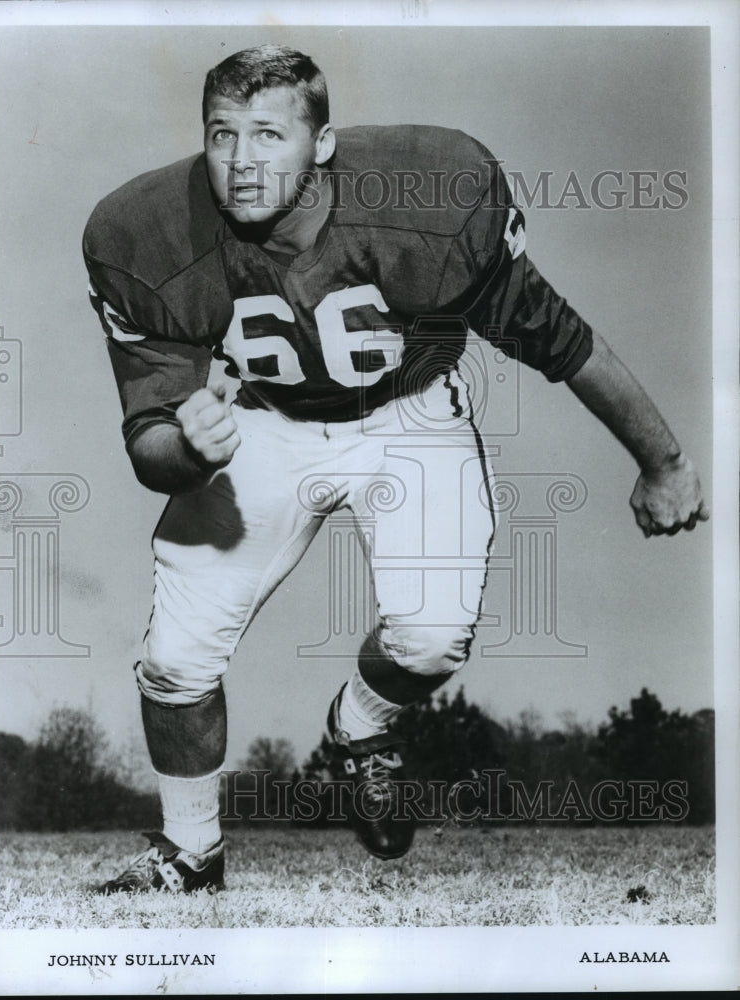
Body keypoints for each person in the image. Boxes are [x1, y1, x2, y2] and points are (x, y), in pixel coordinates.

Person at [83, 44, 709, 893]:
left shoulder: (427, 200)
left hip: (407, 412)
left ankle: (359, 728)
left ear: (324, 143)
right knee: (175, 658)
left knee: (431, 638)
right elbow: (149, 441)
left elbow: (562, 341)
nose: (240, 161)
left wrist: (663, 460)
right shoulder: (145, 236)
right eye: (222, 134)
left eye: (270, 134)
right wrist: (188, 447)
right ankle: (191, 852)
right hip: (265, 422)